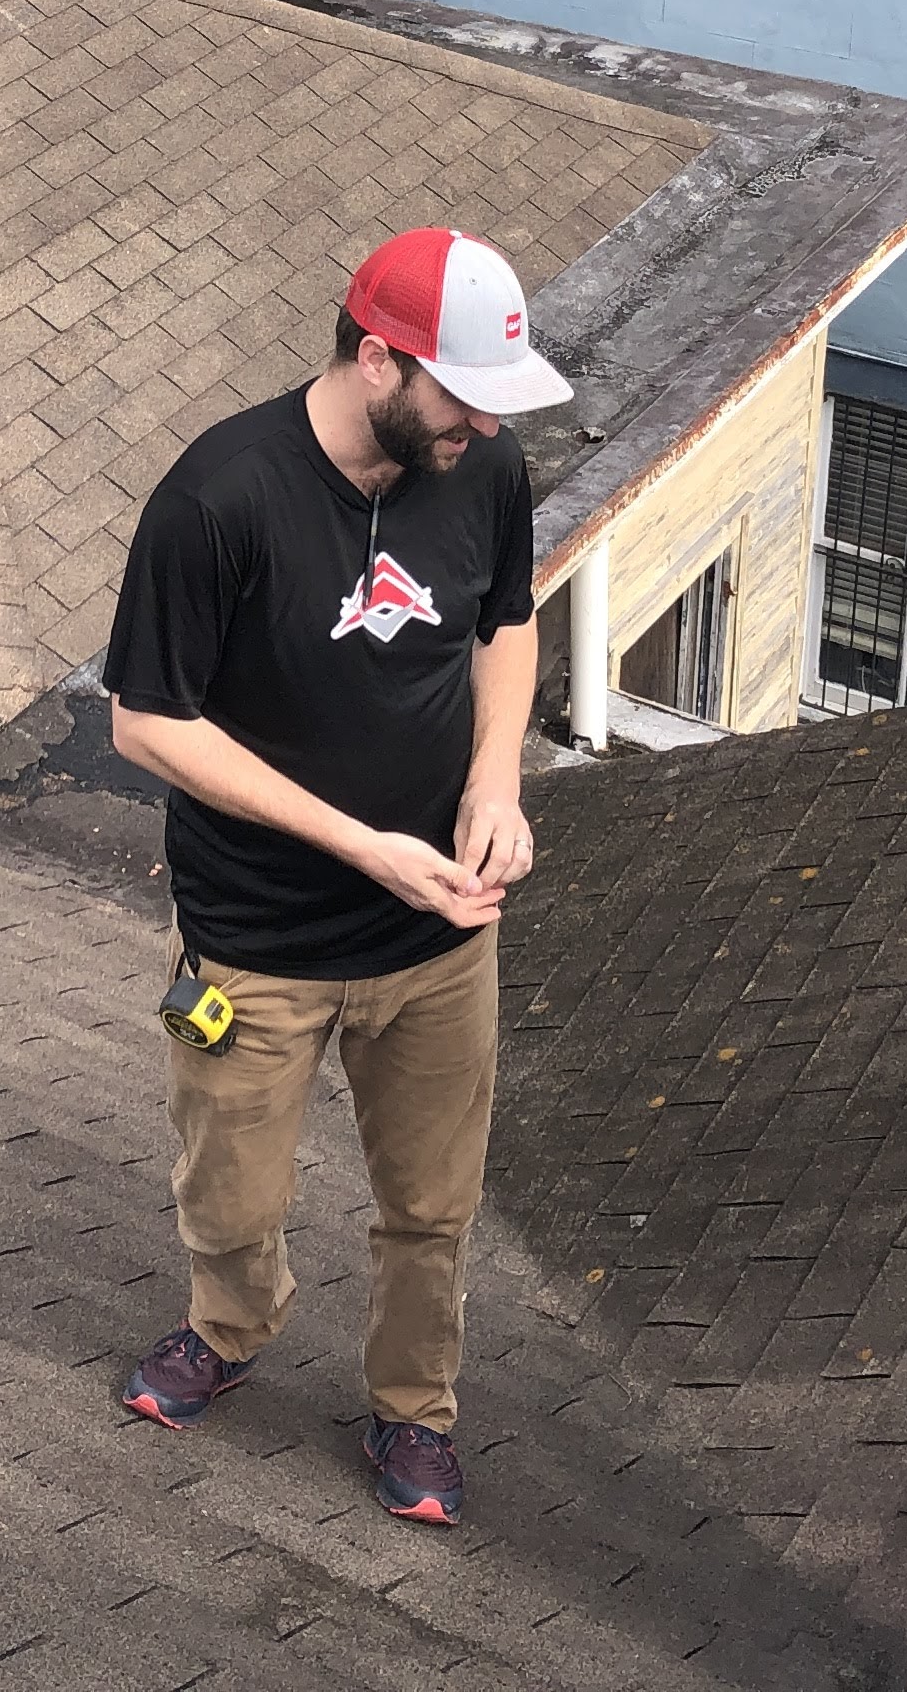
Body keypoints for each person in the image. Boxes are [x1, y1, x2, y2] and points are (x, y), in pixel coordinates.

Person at [101, 227, 570, 1529]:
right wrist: (361, 843)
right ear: (378, 360)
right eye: (463, 393)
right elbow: (147, 721)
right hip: (257, 944)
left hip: (438, 949)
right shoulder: (220, 499)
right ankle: (232, 1326)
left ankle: (414, 1412)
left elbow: (509, 626)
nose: (484, 423)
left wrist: (494, 785)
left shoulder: (487, 468)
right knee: (231, 1194)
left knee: (433, 1210)